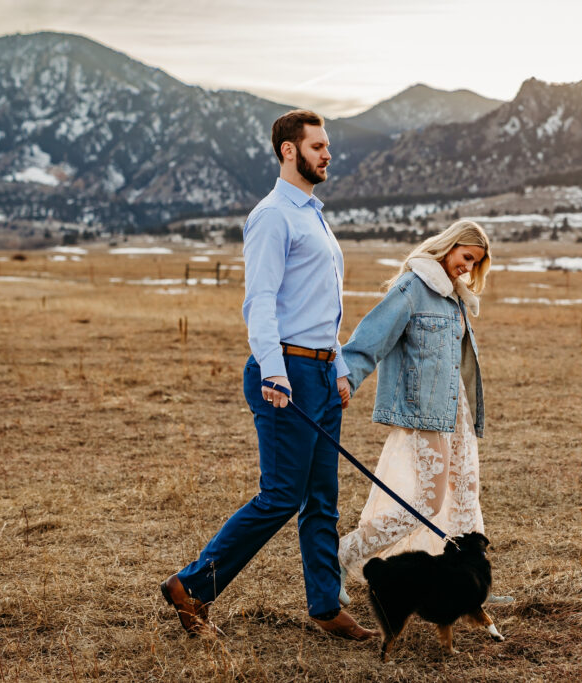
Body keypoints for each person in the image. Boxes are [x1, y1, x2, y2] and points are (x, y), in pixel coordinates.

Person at [161, 109, 377, 641]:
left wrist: (341, 369)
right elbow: (259, 303)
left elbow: (323, 304)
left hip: (322, 374)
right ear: (288, 150)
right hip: (288, 373)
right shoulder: (273, 215)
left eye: (328, 146)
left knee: (322, 498)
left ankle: (325, 607)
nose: (328, 155)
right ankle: (192, 587)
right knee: (281, 495)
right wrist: (275, 375)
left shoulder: (314, 216)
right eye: (318, 146)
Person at [336, 220, 512, 605]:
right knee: (425, 504)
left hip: (457, 412)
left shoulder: (456, 297)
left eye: (475, 263)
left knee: (465, 493)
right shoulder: (413, 288)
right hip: (424, 411)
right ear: (448, 247)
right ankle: (342, 556)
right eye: (466, 257)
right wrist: (345, 376)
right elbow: (372, 337)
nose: (467, 267)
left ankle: (471, 584)